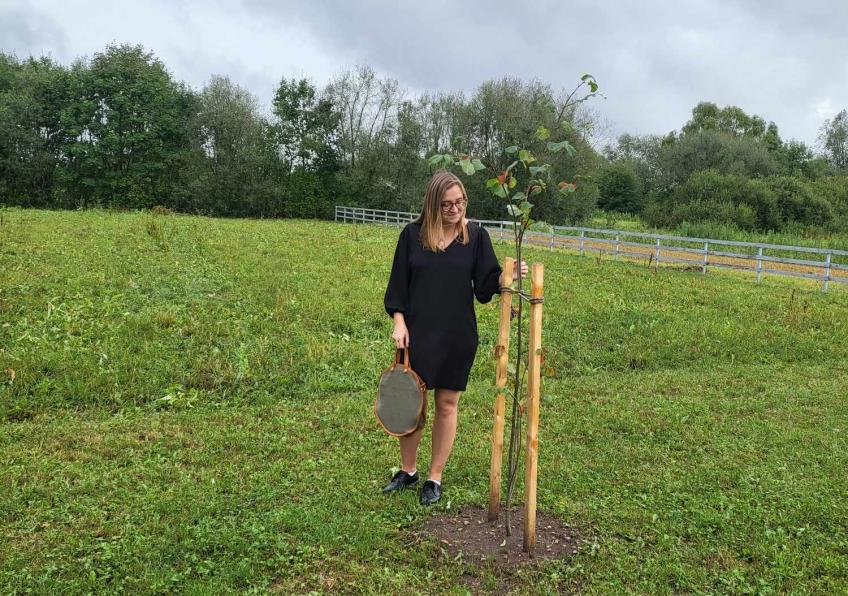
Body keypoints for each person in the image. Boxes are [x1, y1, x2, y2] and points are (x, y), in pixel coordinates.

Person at [382, 169, 528, 505]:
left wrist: (505, 277)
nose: (455, 209)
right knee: (410, 405)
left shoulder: (475, 237)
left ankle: (434, 478)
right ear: (433, 204)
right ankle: (408, 471)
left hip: (457, 335)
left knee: (447, 405)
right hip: (417, 333)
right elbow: (398, 285)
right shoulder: (412, 235)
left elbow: (485, 288)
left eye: (460, 202)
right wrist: (399, 322)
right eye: (447, 204)